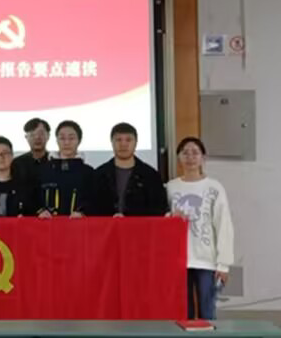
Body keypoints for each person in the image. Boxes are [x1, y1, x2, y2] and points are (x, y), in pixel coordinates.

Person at [167, 137, 234, 320]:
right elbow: (162, 220)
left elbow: (223, 225)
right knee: (183, 313)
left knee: (207, 312)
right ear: (178, 158)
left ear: (203, 158)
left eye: (195, 153)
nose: (190, 157)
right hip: (178, 260)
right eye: (185, 153)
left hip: (206, 261)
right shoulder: (170, 187)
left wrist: (223, 264)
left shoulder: (214, 187)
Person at [92, 122, 168, 216]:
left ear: (136, 143)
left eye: (128, 140)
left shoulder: (151, 175)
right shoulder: (99, 175)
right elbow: (92, 208)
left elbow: (159, 210)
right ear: (112, 142)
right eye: (118, 140)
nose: (123, 144)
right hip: (106, 225)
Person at [38, 120, 93, 217]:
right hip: (47, 224)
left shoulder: (88, 173)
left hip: (78, 224)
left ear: (79, 140)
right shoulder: (43, 170)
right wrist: (40, 211)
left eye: (71, 138)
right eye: (62, 138)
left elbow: (94, 201)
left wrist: (83, 212)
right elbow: (33, 199)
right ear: (56, 140)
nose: (66, 142)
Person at [12, 118, 50, 187]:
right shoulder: (16, 164)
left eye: (41, 133)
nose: (37, 137)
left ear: (48, 136)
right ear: (26, 137)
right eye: (32, 134)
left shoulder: (55, 162)